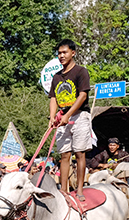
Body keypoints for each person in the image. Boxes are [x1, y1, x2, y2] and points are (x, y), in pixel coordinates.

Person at [48, 39, 91, 198]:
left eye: (64, 52)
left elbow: (83, 95)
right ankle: (64, 190)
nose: (61, 56)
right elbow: (53, 98)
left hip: (79, 115)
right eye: (59, 53)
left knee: (79, 153)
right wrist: (53, 117)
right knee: (64, 154)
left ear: (73, 53)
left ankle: (80, 189)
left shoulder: (81, 72)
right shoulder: (56, 77)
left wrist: (68, 115)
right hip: (62, 117)